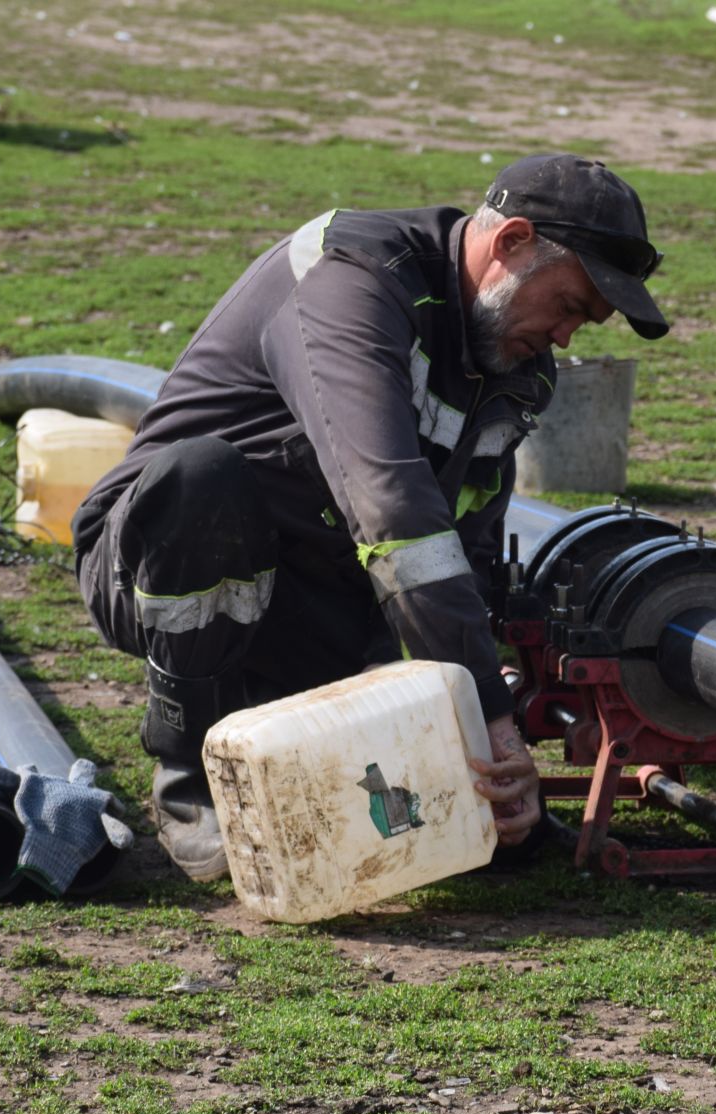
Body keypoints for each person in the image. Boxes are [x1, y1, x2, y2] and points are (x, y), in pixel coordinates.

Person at [71, 153, 669, 880]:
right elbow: (393, 511)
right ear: (510, 242)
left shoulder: (516, 373)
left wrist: (471, 754)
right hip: (163, 556)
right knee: (206, 482)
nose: (569, 337)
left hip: (314, 587)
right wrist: (489, 707)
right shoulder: (351, 280)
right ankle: (192, 781)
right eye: (571, 305)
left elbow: (464, 553)